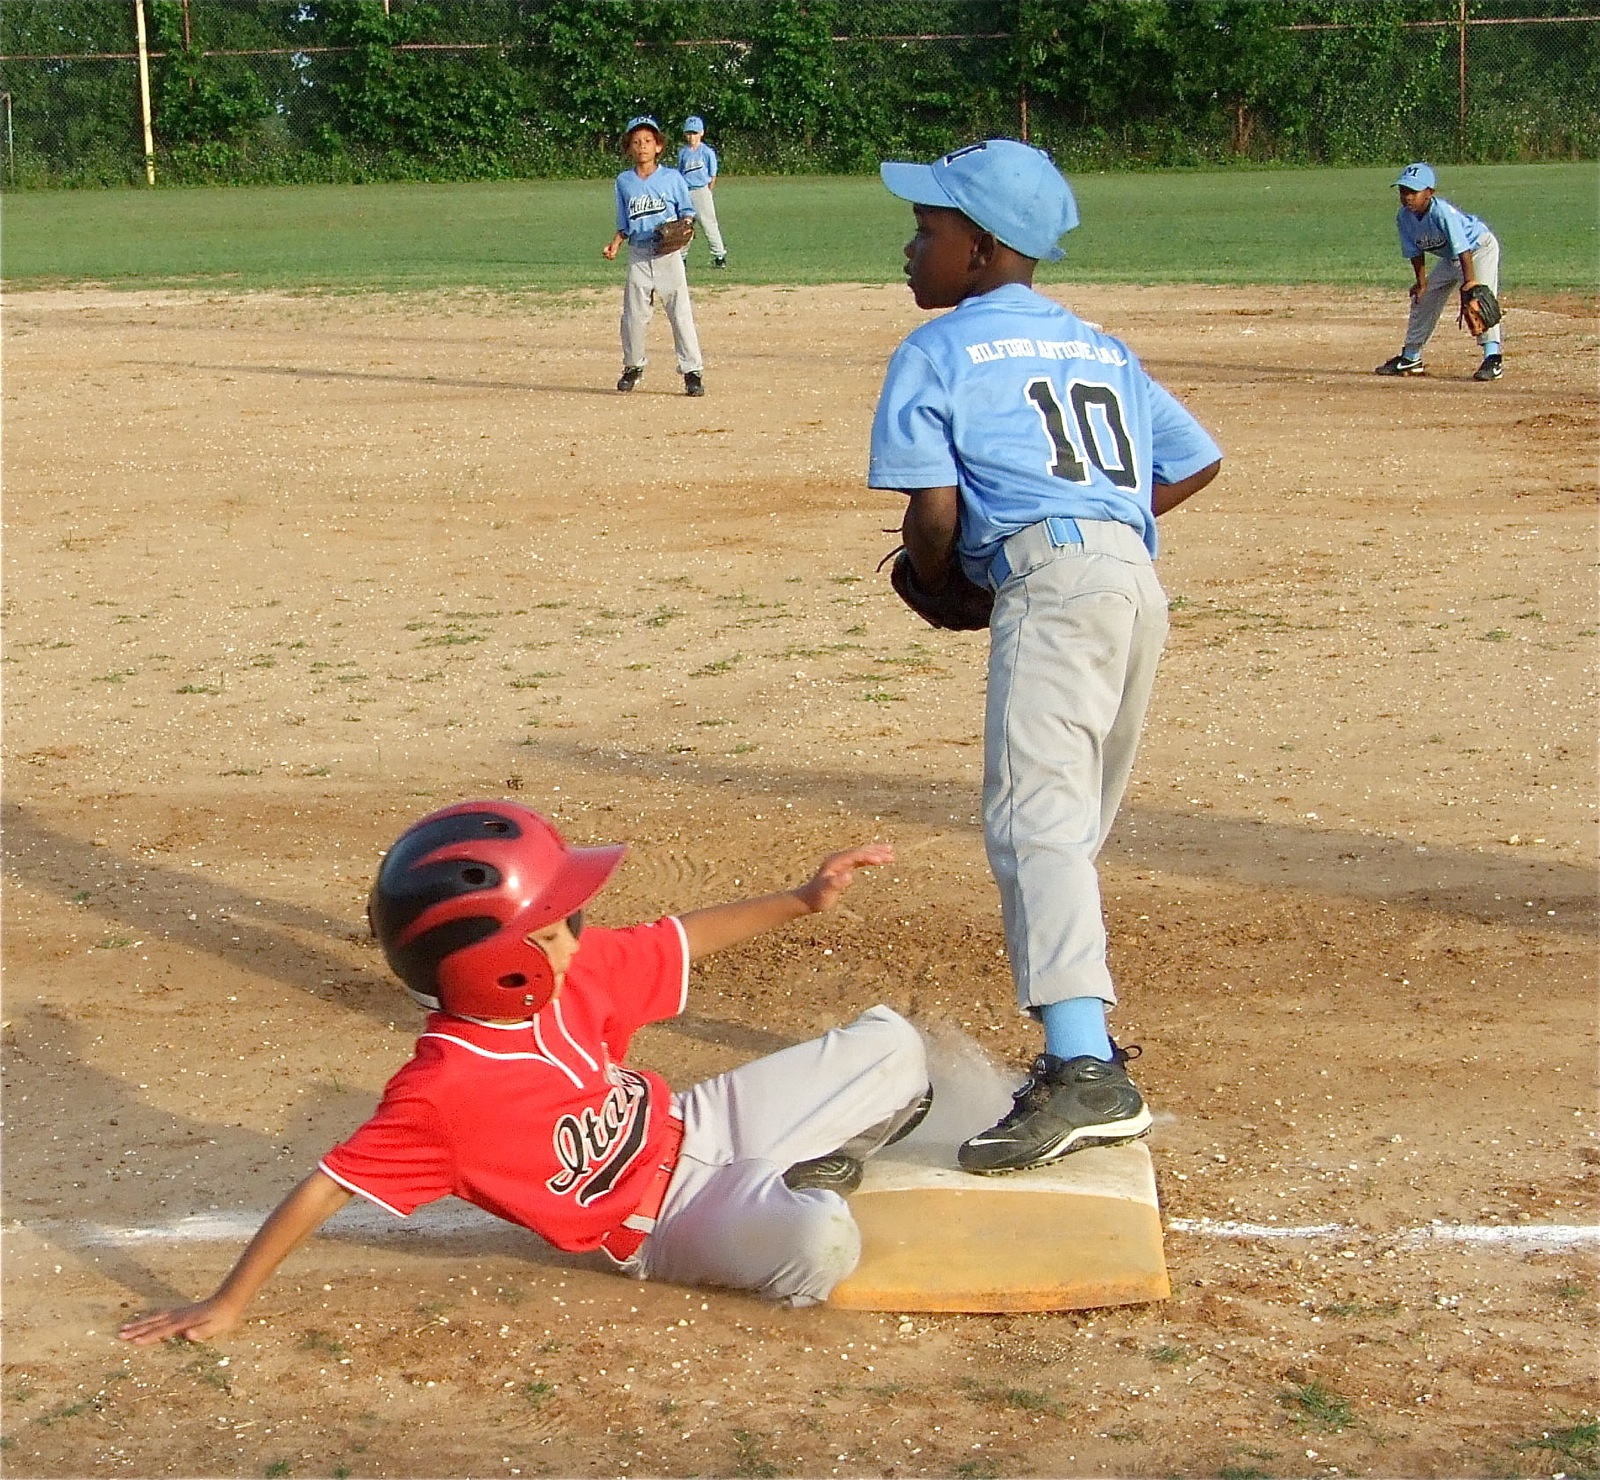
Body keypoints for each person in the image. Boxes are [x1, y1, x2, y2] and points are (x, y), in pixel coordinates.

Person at [118, 799, 930, 1341]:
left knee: (893, 1046)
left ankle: (816, 1164)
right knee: (820, 1242)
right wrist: (228, 1302)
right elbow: (327, 1187)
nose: (576, 930)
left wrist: (801, 899)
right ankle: (800, 1188)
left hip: (702, 1122)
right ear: (499, 966)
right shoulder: (442, 1094)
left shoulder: (568, 973)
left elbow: (678, 939)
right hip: (671, 1224)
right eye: (553, 926)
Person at [867, 139, 1222, 1177]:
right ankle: (1080, 1040)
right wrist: (1099, 518)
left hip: (1054, 591)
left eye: (928, 230)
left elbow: (935, 514)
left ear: (981, 249)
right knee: (1068, 824)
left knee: (1035, 823)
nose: (910, 247)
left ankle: (1084, 1069)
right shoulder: (1098, 347)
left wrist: (941, 577)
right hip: (1129, 584)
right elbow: (1194, 459)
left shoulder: (934, 352)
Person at [602, 115, 706, 396]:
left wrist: (684, 228)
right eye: (636, 142)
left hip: (668, 255)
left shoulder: (672, 178)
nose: (642, 146)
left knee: (680, 313)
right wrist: (615, 243)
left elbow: (687, 212)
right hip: (639, 254)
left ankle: (692, 371)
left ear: (658, 146)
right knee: (634, 317)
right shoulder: (624, 182)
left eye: (648, 141)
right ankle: (633, 365)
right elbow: (624, 223)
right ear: (629, 148)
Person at [1374, 162, 1504, 383]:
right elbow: (1415, 252)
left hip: (1478, 249)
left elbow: (1463, 248)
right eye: (1403, 191)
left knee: (1480, 300)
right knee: (1423, 298)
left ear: (1429, 193)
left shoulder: (1441, 212)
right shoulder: (1404, 217)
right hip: (1452, 257)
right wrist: (1421, 283)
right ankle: (1411, 357)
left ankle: (1493, 358)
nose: (1407, 197)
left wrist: (1470, 282)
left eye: (1413, 191)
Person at [678, 115, 727, 269]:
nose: (691, 137)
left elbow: (712, 175)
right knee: (684, 226)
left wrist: (708, 192)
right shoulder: (683, 152)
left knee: (708, 224)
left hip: (701, 190)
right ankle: (681, 258)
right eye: (689, 133)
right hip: (686, 192)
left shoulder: (706, 152)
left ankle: (719, 256)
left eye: (695, 133)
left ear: (701, 133)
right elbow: (680, 173)